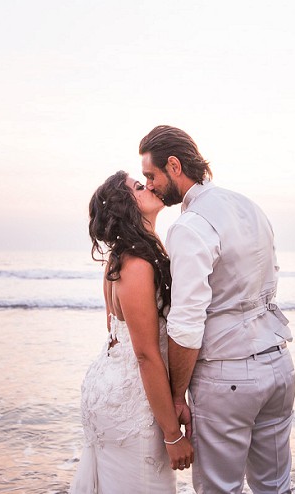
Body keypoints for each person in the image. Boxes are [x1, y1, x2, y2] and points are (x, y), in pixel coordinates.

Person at [140, 125, 295, 493]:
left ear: (174, 166)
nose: (149, 185)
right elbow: (270, 277)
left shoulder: (190, 227)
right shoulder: (248, 205)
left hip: (228, 376)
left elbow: (187, 323)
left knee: (219, 490)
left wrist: (177, 396)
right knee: (275, 486)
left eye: (151, 175)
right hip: (279, 366)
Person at [71, 171, 193, 492]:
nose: (149, 185)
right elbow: (145, 354)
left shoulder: (120, 257)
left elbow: (115, 333)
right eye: (139, 186)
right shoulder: (136, 265)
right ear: (127, 205)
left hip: (109, 386)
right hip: (129, 400)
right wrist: (172, 435)